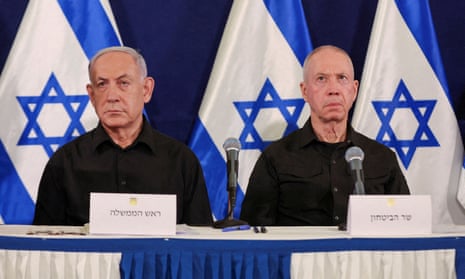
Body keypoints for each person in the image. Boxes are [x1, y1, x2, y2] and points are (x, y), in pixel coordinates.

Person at [33, 46, 213, 226]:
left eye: (123, 83)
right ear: (91, 95)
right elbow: (44, 245)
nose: (112, 96)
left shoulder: (181, 162)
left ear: (146, 90)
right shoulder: (65, 163)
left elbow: (200, 242)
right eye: (102, 84)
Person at [240, 45, 410, 226]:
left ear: (354, 90)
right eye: (321, 79)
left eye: (342, 78)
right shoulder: (275, 158)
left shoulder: (383, 158)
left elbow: (406, 227)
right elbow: (254, 235)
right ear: (305, 91)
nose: (333, 89)